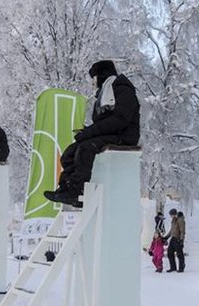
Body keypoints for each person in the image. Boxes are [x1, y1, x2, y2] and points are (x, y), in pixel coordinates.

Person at [44, 60, 140, 207]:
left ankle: (77, 190)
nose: (93, 83)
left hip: (124, 136)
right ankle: (66, 188)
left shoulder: (122, 89)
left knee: (85, 149)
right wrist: (88, 131)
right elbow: (102, 122)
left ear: (101, 76)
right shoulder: (103, 95)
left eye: (94, 78)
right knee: (70, 152)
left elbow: (121, 120)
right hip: (111, 133)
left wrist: (90, 132)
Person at [164, 208, 186, 273]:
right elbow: (172, 230)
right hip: (173, 238)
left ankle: (181, 267)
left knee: (179, 254)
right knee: (170, 253)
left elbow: (182, 231)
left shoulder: (181, 220)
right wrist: (166, 237)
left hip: (178, 239)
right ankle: (173, 267)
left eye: (171, 215)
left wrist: (181, 240)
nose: (170, 216)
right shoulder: (173, 220)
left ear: (174, 214)